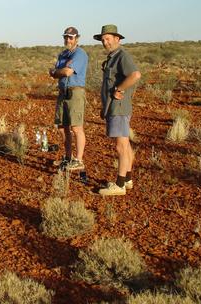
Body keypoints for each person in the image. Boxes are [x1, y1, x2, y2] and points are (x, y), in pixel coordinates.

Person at [94, 24, 141, 196]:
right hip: (114, 108)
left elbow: (135, 75)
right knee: (125, 144)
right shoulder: (112, 57)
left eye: (108, 39)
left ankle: (119, 185)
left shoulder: (122, 56)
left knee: (121, 146)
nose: (105, 42)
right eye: (103, 39)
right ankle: (127, 179)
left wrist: (120, 89)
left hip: (119, 108)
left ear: (117, 39)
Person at [49, 26, 88, 172]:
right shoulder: (63, 54)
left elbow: (66, 72)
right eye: (66, 37)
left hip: (75, 92)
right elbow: (57, 72)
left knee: (76, 127)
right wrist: (57, 72)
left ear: (76, 38)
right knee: (61, 126)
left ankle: (79, 160)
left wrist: (56, 72)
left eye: (70, 37)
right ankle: (68, 157)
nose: (68, 39)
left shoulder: (80, 54)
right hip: (62, 92)